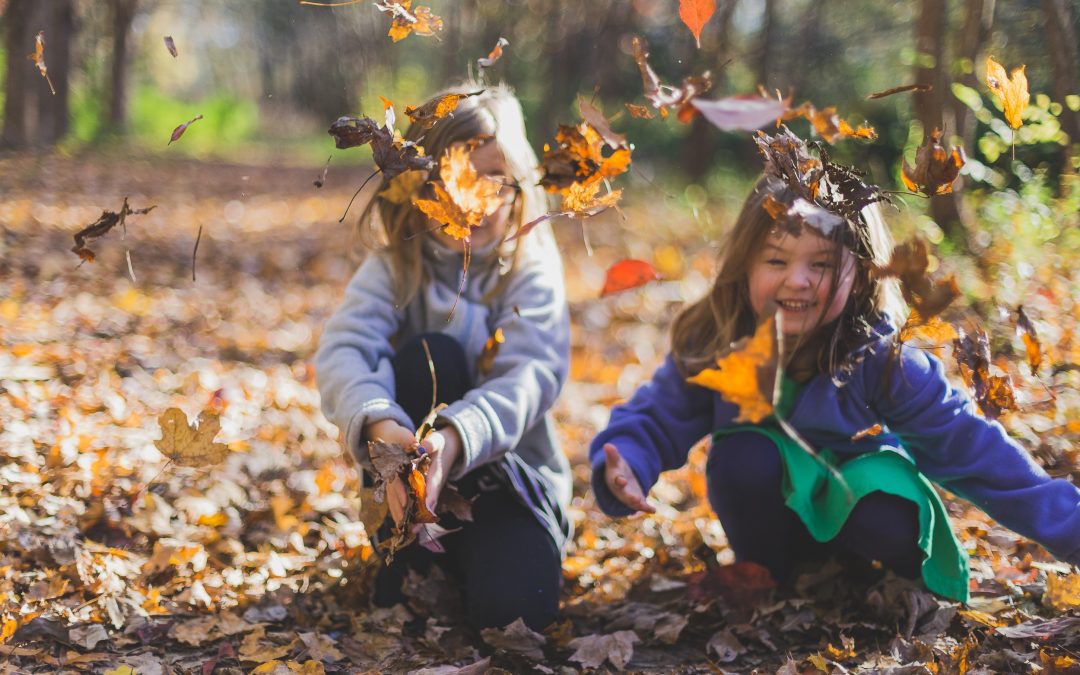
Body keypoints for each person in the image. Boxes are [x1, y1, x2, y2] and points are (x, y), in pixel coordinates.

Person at [590, 130, 1080, 602]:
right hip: (771, 521)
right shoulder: (720, 340)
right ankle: (774, 574)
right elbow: (658, 415)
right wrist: (630, 461)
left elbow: (972, 449)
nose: (797, 280)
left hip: (865, 516)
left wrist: (1071, 529)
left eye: (821, 264)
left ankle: (871, 582)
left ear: (863, 274)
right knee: (743, 457)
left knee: (883, 504)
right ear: (745, 265)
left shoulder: (883, 359)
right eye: (776, 261)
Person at [316, 83, 570, 630]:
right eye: (451, 177)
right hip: (406, 488)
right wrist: (381, 424)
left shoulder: (529, 268)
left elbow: (531, 374)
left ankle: (490, 560)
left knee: (517, 617)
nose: (471, 200)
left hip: (508, 486)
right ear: (416, 186)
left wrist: (453, 440)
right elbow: (344, 349)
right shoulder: (395, 268)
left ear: (518, 184)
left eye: (492, 180)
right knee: (430, 354)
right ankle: (408, 552)